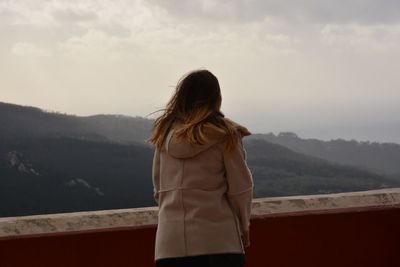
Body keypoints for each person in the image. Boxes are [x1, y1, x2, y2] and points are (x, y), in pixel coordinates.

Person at [147, 69, 254, 267]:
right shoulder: (226, 136)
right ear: (216, 99)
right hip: (219, 244)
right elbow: (240, 189)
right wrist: (244, 227)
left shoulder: (164, 136)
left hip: (169, 246)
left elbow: (159, 191)